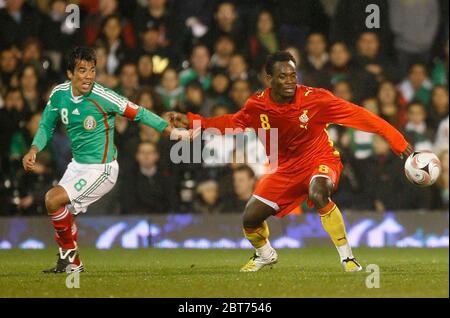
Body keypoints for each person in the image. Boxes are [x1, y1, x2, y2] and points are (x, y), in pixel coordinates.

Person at [169, 51, 413, 272]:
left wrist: (397, 140)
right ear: (269, 79)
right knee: (250, 218)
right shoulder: (257, 105)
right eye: (283, 76)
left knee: (319, 193)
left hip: (321, 159)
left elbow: (360, 115)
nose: (290, 81)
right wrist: (193, 122)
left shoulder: (315, 99)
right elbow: (232, 123)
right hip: (286, 170)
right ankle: (264, 254)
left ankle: (347, 258)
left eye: (293, 75)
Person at [22, 47, 192, 273]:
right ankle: (70, 262)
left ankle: (70, 259)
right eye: (82, 70)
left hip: (102, 169)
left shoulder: (103, 96)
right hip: (77, 166)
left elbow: (139, 112)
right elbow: (46, 124)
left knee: (52, 200)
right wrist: (34, 148)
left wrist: (171, 131)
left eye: (92, 70)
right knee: (63, 213)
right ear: (70, 73)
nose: (89, 76)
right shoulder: (58, 94)